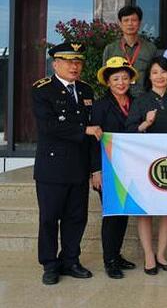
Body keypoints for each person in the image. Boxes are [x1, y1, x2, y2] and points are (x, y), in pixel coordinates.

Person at [32, 42, 101, 285]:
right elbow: (48, 126)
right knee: (49, 218)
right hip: (52, 167)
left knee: (76, 217)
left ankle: (71, 260)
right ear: (55, 64)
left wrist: (95, 168)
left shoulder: (86, 90)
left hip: (79, 166)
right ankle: (50, 265)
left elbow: (94, 134)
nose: (74, 66)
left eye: (78, 61)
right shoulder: (42, 90)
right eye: (69, 61)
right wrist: (83, 130)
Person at [127, 56, 167, 275]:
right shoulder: (140, 101)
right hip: (145, 163)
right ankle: (149, 255)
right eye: (155, 72)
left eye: (164, 72)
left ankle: (161, 254)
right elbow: (129, 131)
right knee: (145, 210)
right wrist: (146, 123)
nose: (160, 76)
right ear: (149, 77)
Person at [90, 57, 139, 279]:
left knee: (123, 212)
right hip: (108, 168)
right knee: (112, 214)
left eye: (125, 78)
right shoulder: (100, 106)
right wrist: (96, 171)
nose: (121, 83)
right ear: (108, 82)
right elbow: (93, 141)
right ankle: (109, 260)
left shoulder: (137, 102)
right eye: (116, 79)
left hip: (131, 168)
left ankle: (117, 255)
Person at [102, 5, 158, 97]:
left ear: (140, 23)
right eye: (126, 20)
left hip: (143, 98)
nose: (130, 24)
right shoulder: (110, 49)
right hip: (118, 99)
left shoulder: (151, 48)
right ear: (120, 23)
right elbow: (105, 77)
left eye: (134, 20)